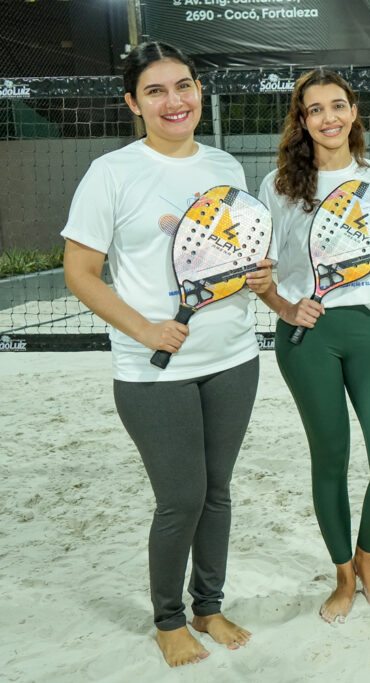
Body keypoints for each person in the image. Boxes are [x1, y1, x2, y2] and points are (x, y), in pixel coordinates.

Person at [61, 42, 271, 667]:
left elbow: (229, 252)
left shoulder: (226, 166)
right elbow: (81, 271)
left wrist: (257, 275)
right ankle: (169, 618)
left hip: (233, 355)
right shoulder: (111, 173)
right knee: (180, 497)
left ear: (199, 92)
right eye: (156, 91)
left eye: (184, 87)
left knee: (217, 492)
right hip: (155, 370)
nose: (174, 101)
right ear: (133, 103)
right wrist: (146, 330)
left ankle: (209, 605)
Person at [256, 69, 370, 624]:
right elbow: (261, 272)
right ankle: (344, 574)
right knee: (332, 460)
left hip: (369, 331)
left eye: (338, 106)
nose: (329, 118)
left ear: (354, 112)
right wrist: (283, 305)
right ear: (301, 120)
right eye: (315, 109)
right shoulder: (278, 186)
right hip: (307, 338)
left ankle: (368, 558)